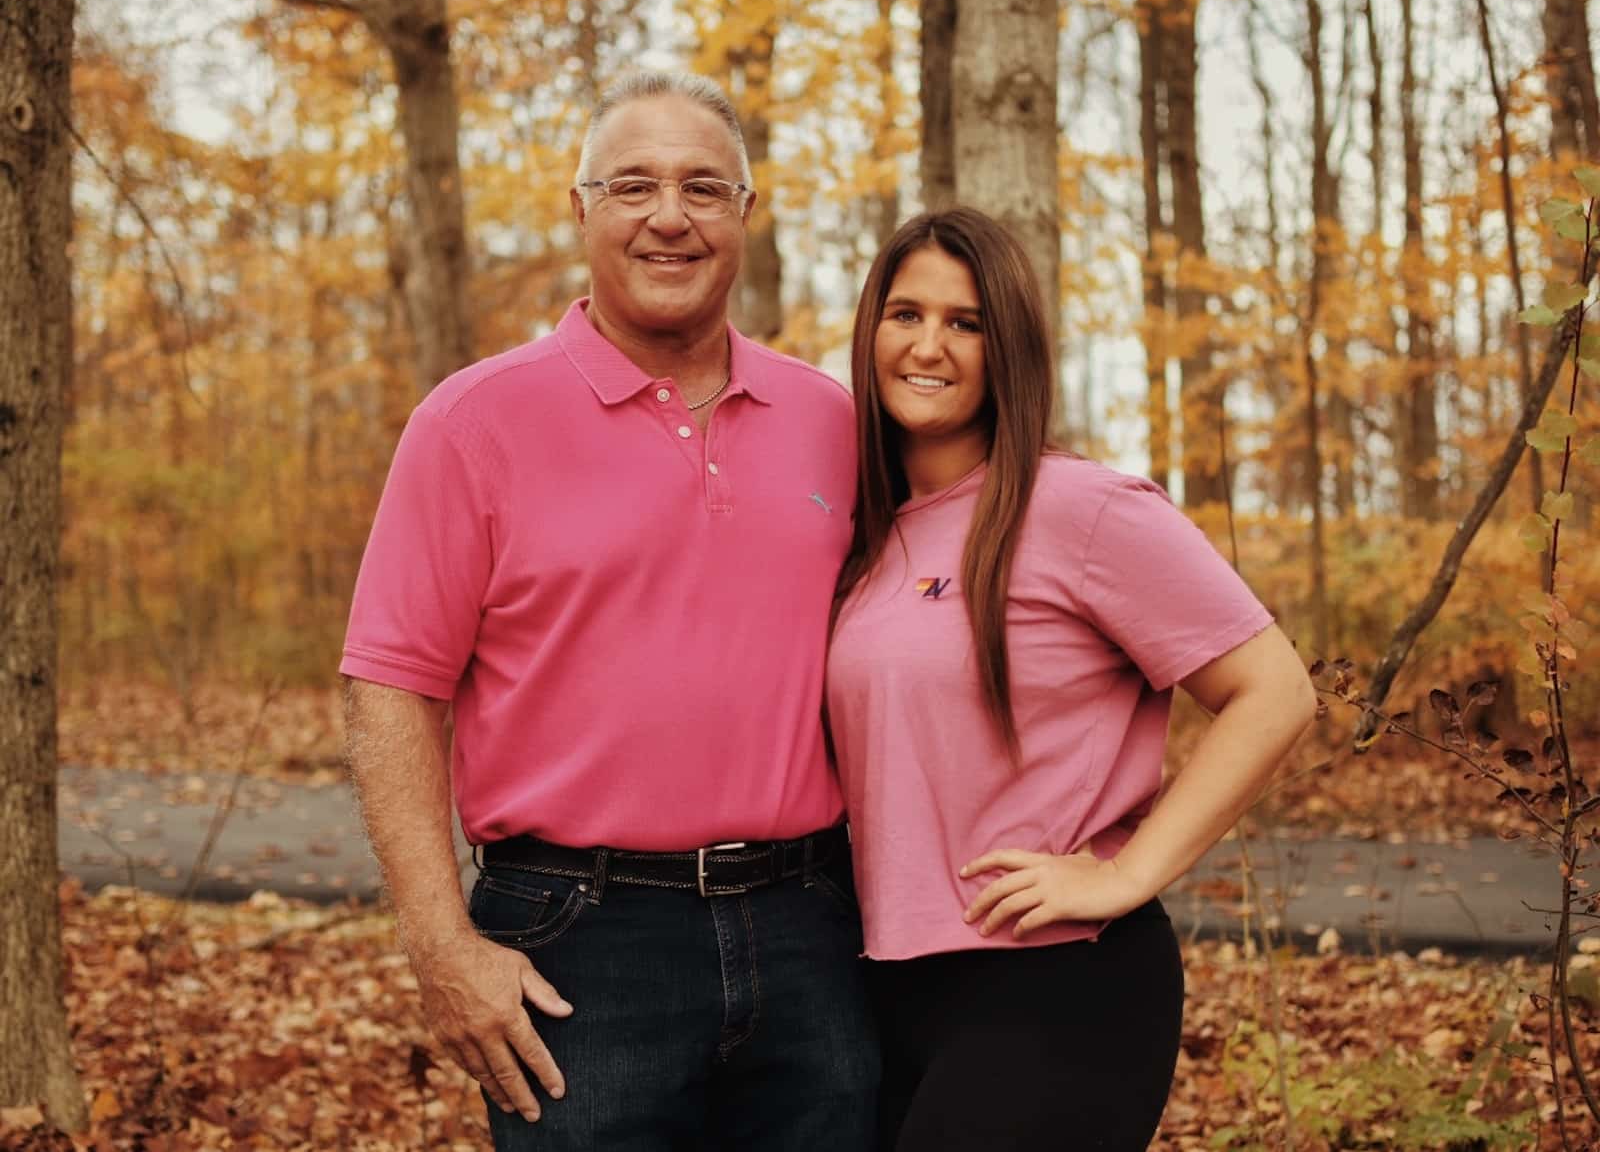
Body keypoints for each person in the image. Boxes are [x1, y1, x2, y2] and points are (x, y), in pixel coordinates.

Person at [339, 70, 877, 1152]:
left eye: (703, 187)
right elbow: (390, 687)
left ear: (745, 213)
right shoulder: (471, 422)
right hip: (576, 937)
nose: (669, 216)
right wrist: (441, 947)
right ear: (580, 208)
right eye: (633, 185)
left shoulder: (832, 419)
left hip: (812, 925)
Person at [825, 207, 1317, 1151]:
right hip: (883, 984)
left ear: (1007, 347)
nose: (929, 345)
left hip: (1056, 981)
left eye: (966, 323)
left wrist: (1126, 872)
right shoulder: (867, 536)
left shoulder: (1083, 507)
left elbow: (1277, 690)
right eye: (906, 314)